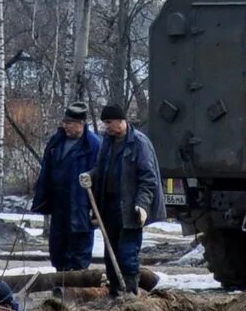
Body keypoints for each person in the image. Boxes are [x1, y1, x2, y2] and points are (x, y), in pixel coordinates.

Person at [88, 102, 162, 294]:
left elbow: (148, 178)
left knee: (127, 253)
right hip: (111, 205)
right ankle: (114, 292)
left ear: (122, 121)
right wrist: (91, 176)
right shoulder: (108, 142)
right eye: (105, 123)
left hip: (131, 207)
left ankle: (130, 294)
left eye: (109, 122)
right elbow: (102, 169)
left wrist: (142, 205)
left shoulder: (139, 143)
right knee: (110, 252)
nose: (107, 126)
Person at [35, 102, 104, 275]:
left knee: (79, 250)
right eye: (64, 122)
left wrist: (96, 211)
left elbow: (101, 178)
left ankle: (77, 289)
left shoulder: (93, 145)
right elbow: (47, 169)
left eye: (70, 122)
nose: (65, 126)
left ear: (81, 123)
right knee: (58, 248)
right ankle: (60, 285)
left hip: (81, 206)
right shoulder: (57, 141)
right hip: (59, 204)